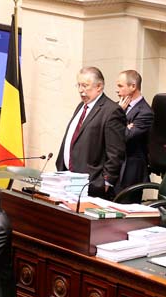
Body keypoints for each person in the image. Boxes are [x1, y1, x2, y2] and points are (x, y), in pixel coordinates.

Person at [55, 66, 126, 199]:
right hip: (67, 180)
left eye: (85, 86)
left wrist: (106, 181)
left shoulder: (111, 111)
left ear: (99, 86)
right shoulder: (81, 106)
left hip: (91, 185)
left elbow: (116, 152)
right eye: (79, 85)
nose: (81, 90)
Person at [115, 69, 154, 201]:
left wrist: (119, 120)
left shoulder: (145, 112)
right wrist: (124, 124)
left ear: (133, 86)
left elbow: (126, 137)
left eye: (120, 86)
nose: (117, 90)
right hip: (114, 169)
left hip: (130, 172)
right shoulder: (118, 107)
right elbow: (106, 132)